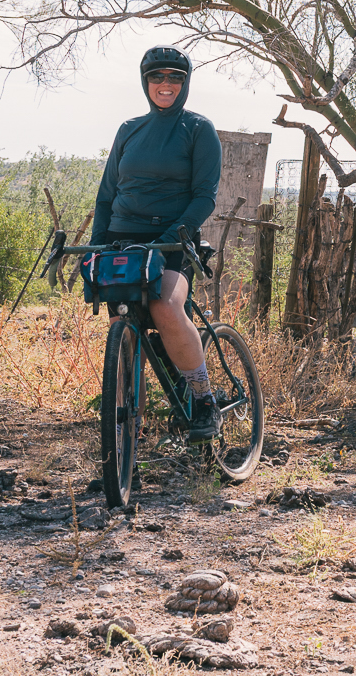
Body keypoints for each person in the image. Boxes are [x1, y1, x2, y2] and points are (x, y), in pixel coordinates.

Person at [91, 46, 225, 440]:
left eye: (174, 78)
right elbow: (106, 195)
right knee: (123, 325)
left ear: (185, 83)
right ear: (145, 81)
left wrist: (171, 238)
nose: (165, 84)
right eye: (156, 77)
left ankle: (203, 400)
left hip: (172, 241)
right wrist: (98, 244)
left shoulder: (198, 129)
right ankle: (126, 433)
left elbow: (204, 196)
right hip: (121, 240)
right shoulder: (128, 129)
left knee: (164, 306)